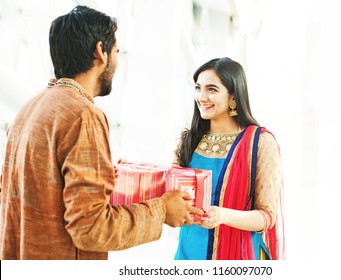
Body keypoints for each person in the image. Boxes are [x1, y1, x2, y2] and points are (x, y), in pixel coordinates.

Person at [0, 5, 203, 260]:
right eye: (116, 51)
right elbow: (91, 229)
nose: (117, 61)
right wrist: (162, 210)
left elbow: (38, 194)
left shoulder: (29, 109)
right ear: (100, 52)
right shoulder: (83, 115)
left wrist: (107, 178)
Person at [173, 57, 285, 260]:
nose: (201, 97)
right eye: (198, 88)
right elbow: (170, 195)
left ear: (233, 96)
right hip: (188, 253)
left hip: (238, 257)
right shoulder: (189, 140)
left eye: (212, 89)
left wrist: (223, 216)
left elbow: (267, 216)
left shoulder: (260, 142)